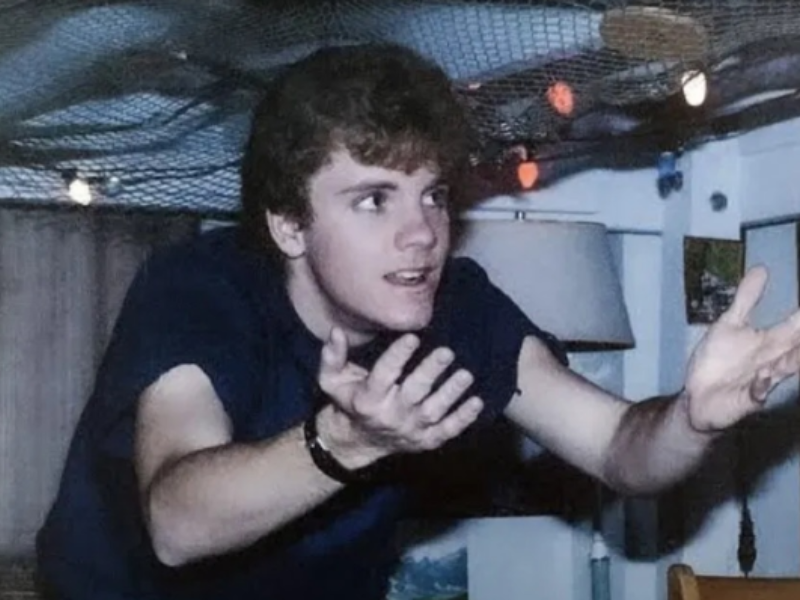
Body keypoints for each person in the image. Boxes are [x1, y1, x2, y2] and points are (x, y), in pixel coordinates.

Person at [36, 42, 800, 600]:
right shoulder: (200, 288)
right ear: (289, 225)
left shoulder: (460, 309)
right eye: (374, 200)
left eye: (432, 195)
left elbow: (620, 449)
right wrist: (347, 440)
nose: (422, 234)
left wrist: (693, 418)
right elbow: (176, 526)